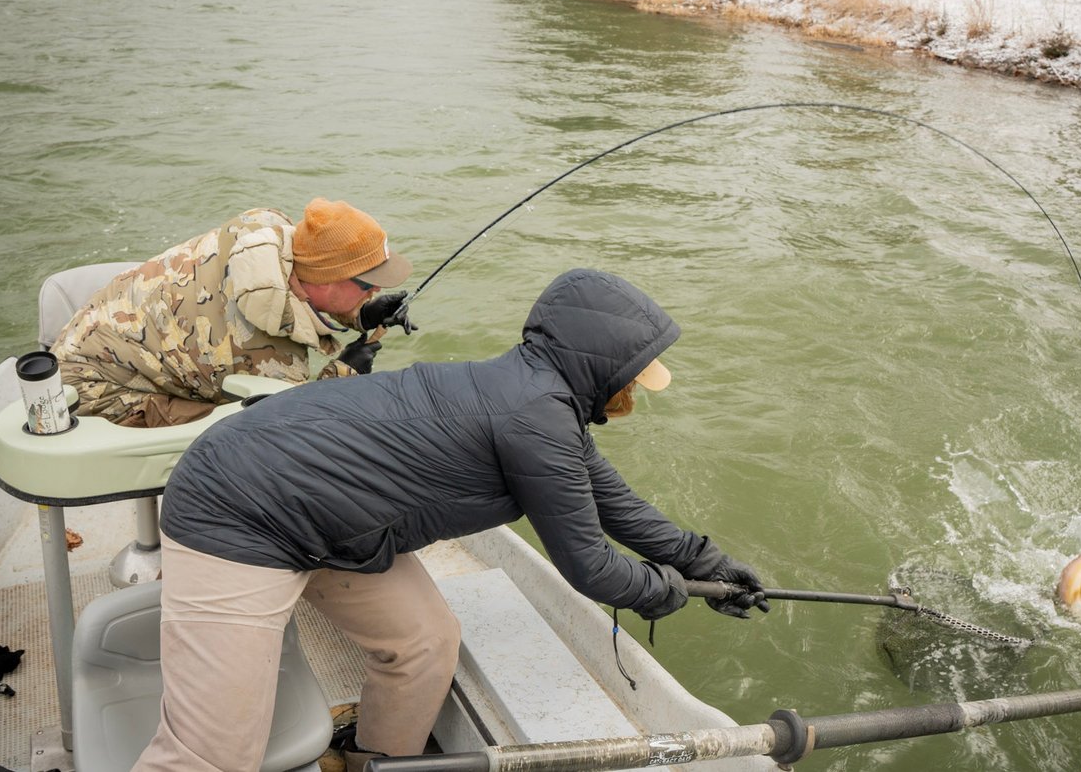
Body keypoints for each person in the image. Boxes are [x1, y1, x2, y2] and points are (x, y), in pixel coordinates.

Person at [136, 268, 770, 771]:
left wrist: (705, 563)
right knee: (213, 754)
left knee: (424, 643)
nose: (635, 387)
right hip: (238, 511)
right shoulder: (534, 417)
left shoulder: (535, 398)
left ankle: (373, 763)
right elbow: (592, 568)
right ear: (602, 365)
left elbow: (616, 504)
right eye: (634, 372)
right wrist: (669, 593)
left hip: (324, 519)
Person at [49, 198, 417, 427]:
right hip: (89, 396)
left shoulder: (261, 227)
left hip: (86, 339)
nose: (376, 290)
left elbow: (301, 294)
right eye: (367, 285)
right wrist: (344, 372)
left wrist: (361, 315)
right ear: (324, 280)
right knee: (240, 434)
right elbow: (293, 423)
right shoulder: (267, 361)